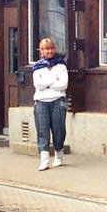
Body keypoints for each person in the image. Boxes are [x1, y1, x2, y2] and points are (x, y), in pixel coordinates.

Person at [31, 37, 68, 170]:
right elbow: (38, 84)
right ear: (41, 51)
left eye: (52, 48)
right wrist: (53, 80)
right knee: (42, 130)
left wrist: (47, 83)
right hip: (41, 102)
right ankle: (44, 160)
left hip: (58, 100)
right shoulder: (37, 67)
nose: (50, 51)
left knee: (59, 129)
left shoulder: (61, 65)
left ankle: (59, 155)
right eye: (47, 49)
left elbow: (63, 84)